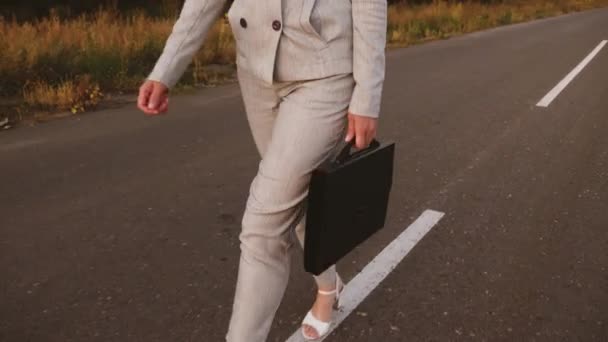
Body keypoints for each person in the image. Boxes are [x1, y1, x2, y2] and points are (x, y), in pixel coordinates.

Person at [137, 0, 386, 340]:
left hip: (325, 68)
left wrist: (367, 95)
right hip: (256, 71)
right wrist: (165, 70)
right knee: (292, 200)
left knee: (263, 223)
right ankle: (329, 284)